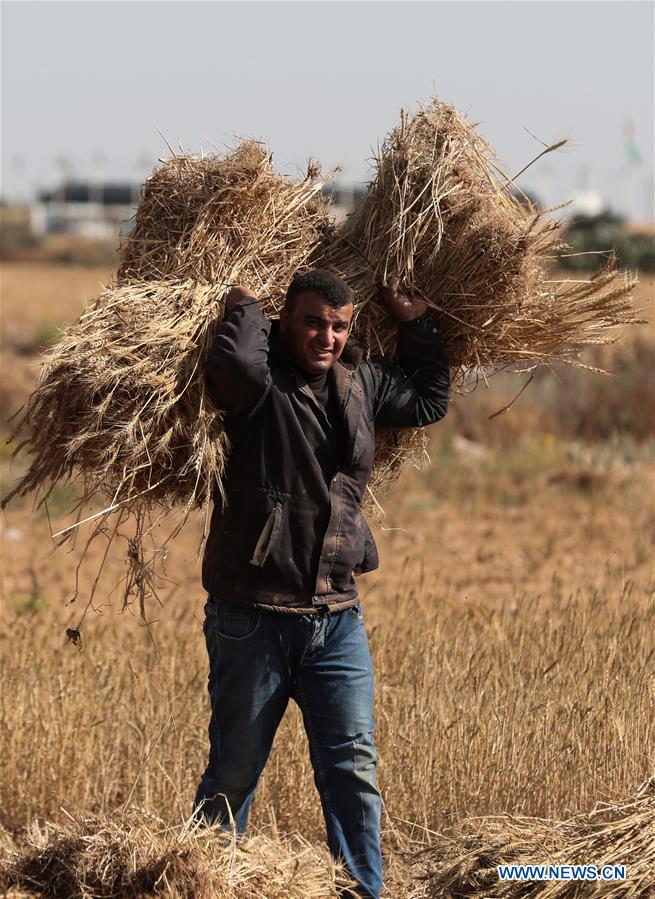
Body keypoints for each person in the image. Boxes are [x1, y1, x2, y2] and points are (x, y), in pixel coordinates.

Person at [194, 268, 450, 898]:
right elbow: (236, 364)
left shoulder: (360, 383)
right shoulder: (259, 387)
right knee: (233, 772)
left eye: (339, 326)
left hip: (335, 615)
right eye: (312, 321)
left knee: (353, 769)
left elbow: (427, 401)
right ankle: (204, 884)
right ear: (286, 322)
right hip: (253, 613)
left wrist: (415, 322)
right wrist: (247, 304)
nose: (326, 337)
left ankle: (363, 890)